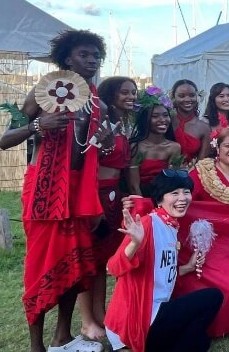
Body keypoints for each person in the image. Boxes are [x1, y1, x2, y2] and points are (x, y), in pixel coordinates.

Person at [0, 29, 114, 352]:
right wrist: (37, 125)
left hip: (80, 193)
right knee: (40, 266)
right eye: (83, 54)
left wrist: (104, 145)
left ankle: (62, 337)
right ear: (67, 59)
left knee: (75, 267)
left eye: (96, 56)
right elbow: (5, 140)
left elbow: (94, 152)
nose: (91, 60)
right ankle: (36, 346)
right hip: (45, 190)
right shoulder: (42, 93)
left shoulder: (99, 105)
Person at [104, 171, 223, 352]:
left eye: (186, 192)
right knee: (213, 297)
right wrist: (134, 243)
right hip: (136, 321)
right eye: (174, 193)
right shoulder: (148, 223)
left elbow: (160, 274)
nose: (182, 198)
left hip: (154, 314)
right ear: (159, 199)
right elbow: (112, 268)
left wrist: (188, 267)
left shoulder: (171, 226)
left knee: (201, 342)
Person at [77, 76, 137, 340]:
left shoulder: (123, 124)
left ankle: (100, 313)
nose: (130, 97)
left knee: (102, 259)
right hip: (95, 195)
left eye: (133, 92)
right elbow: (87, 163)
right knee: (87, 258)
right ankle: (86, 321)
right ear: (110, 94)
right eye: (124, 92)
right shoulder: (100, 123)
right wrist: (93, 202)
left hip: (113, 196)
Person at [128, 91, 182, 197]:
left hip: (164, 197)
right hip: (139, 196)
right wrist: (143, 203)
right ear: (145, 120)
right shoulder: (135, 147)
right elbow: (133, 185)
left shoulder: (174, 147)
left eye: (165, 115)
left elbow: (172, 182)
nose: (162, 120)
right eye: (155, 116)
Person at [171, 79, 210, 165]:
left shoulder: (204, 128)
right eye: (181, 96)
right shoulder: (167, 122)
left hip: (192, 171)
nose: (187, 99)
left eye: (192, 95)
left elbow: (201, 163)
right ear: (173, 97)